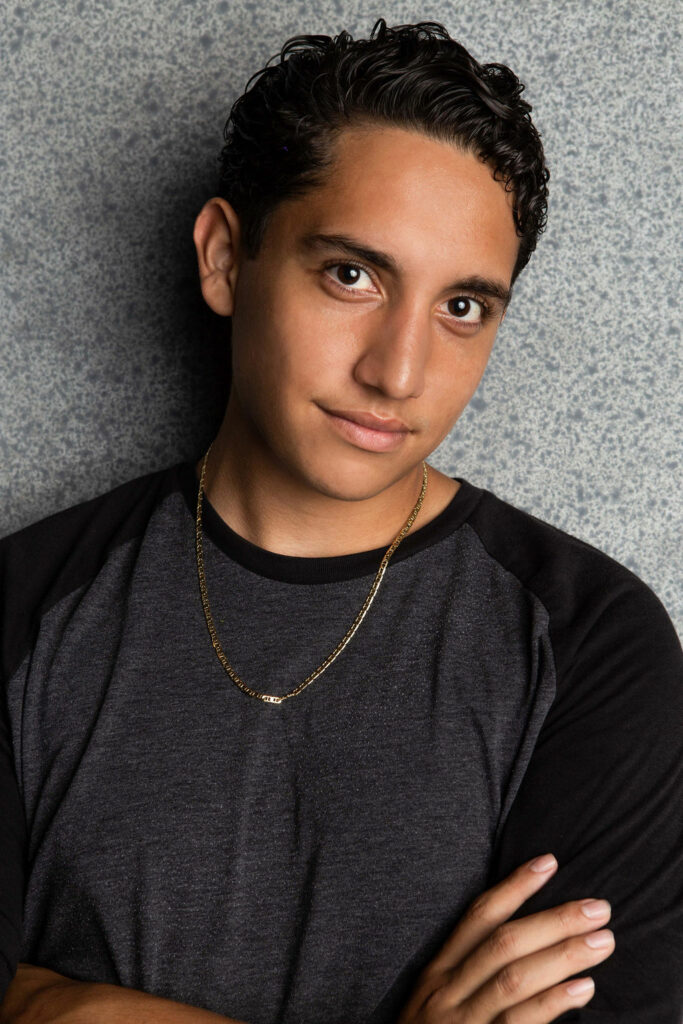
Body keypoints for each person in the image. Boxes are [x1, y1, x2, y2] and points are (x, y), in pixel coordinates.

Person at [0, 17, 681, 1024]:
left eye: (461, 308)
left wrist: (59, 1005)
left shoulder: (589, 642)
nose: (397, 371)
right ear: (226, 259)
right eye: (351, 275)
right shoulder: (25, 607)